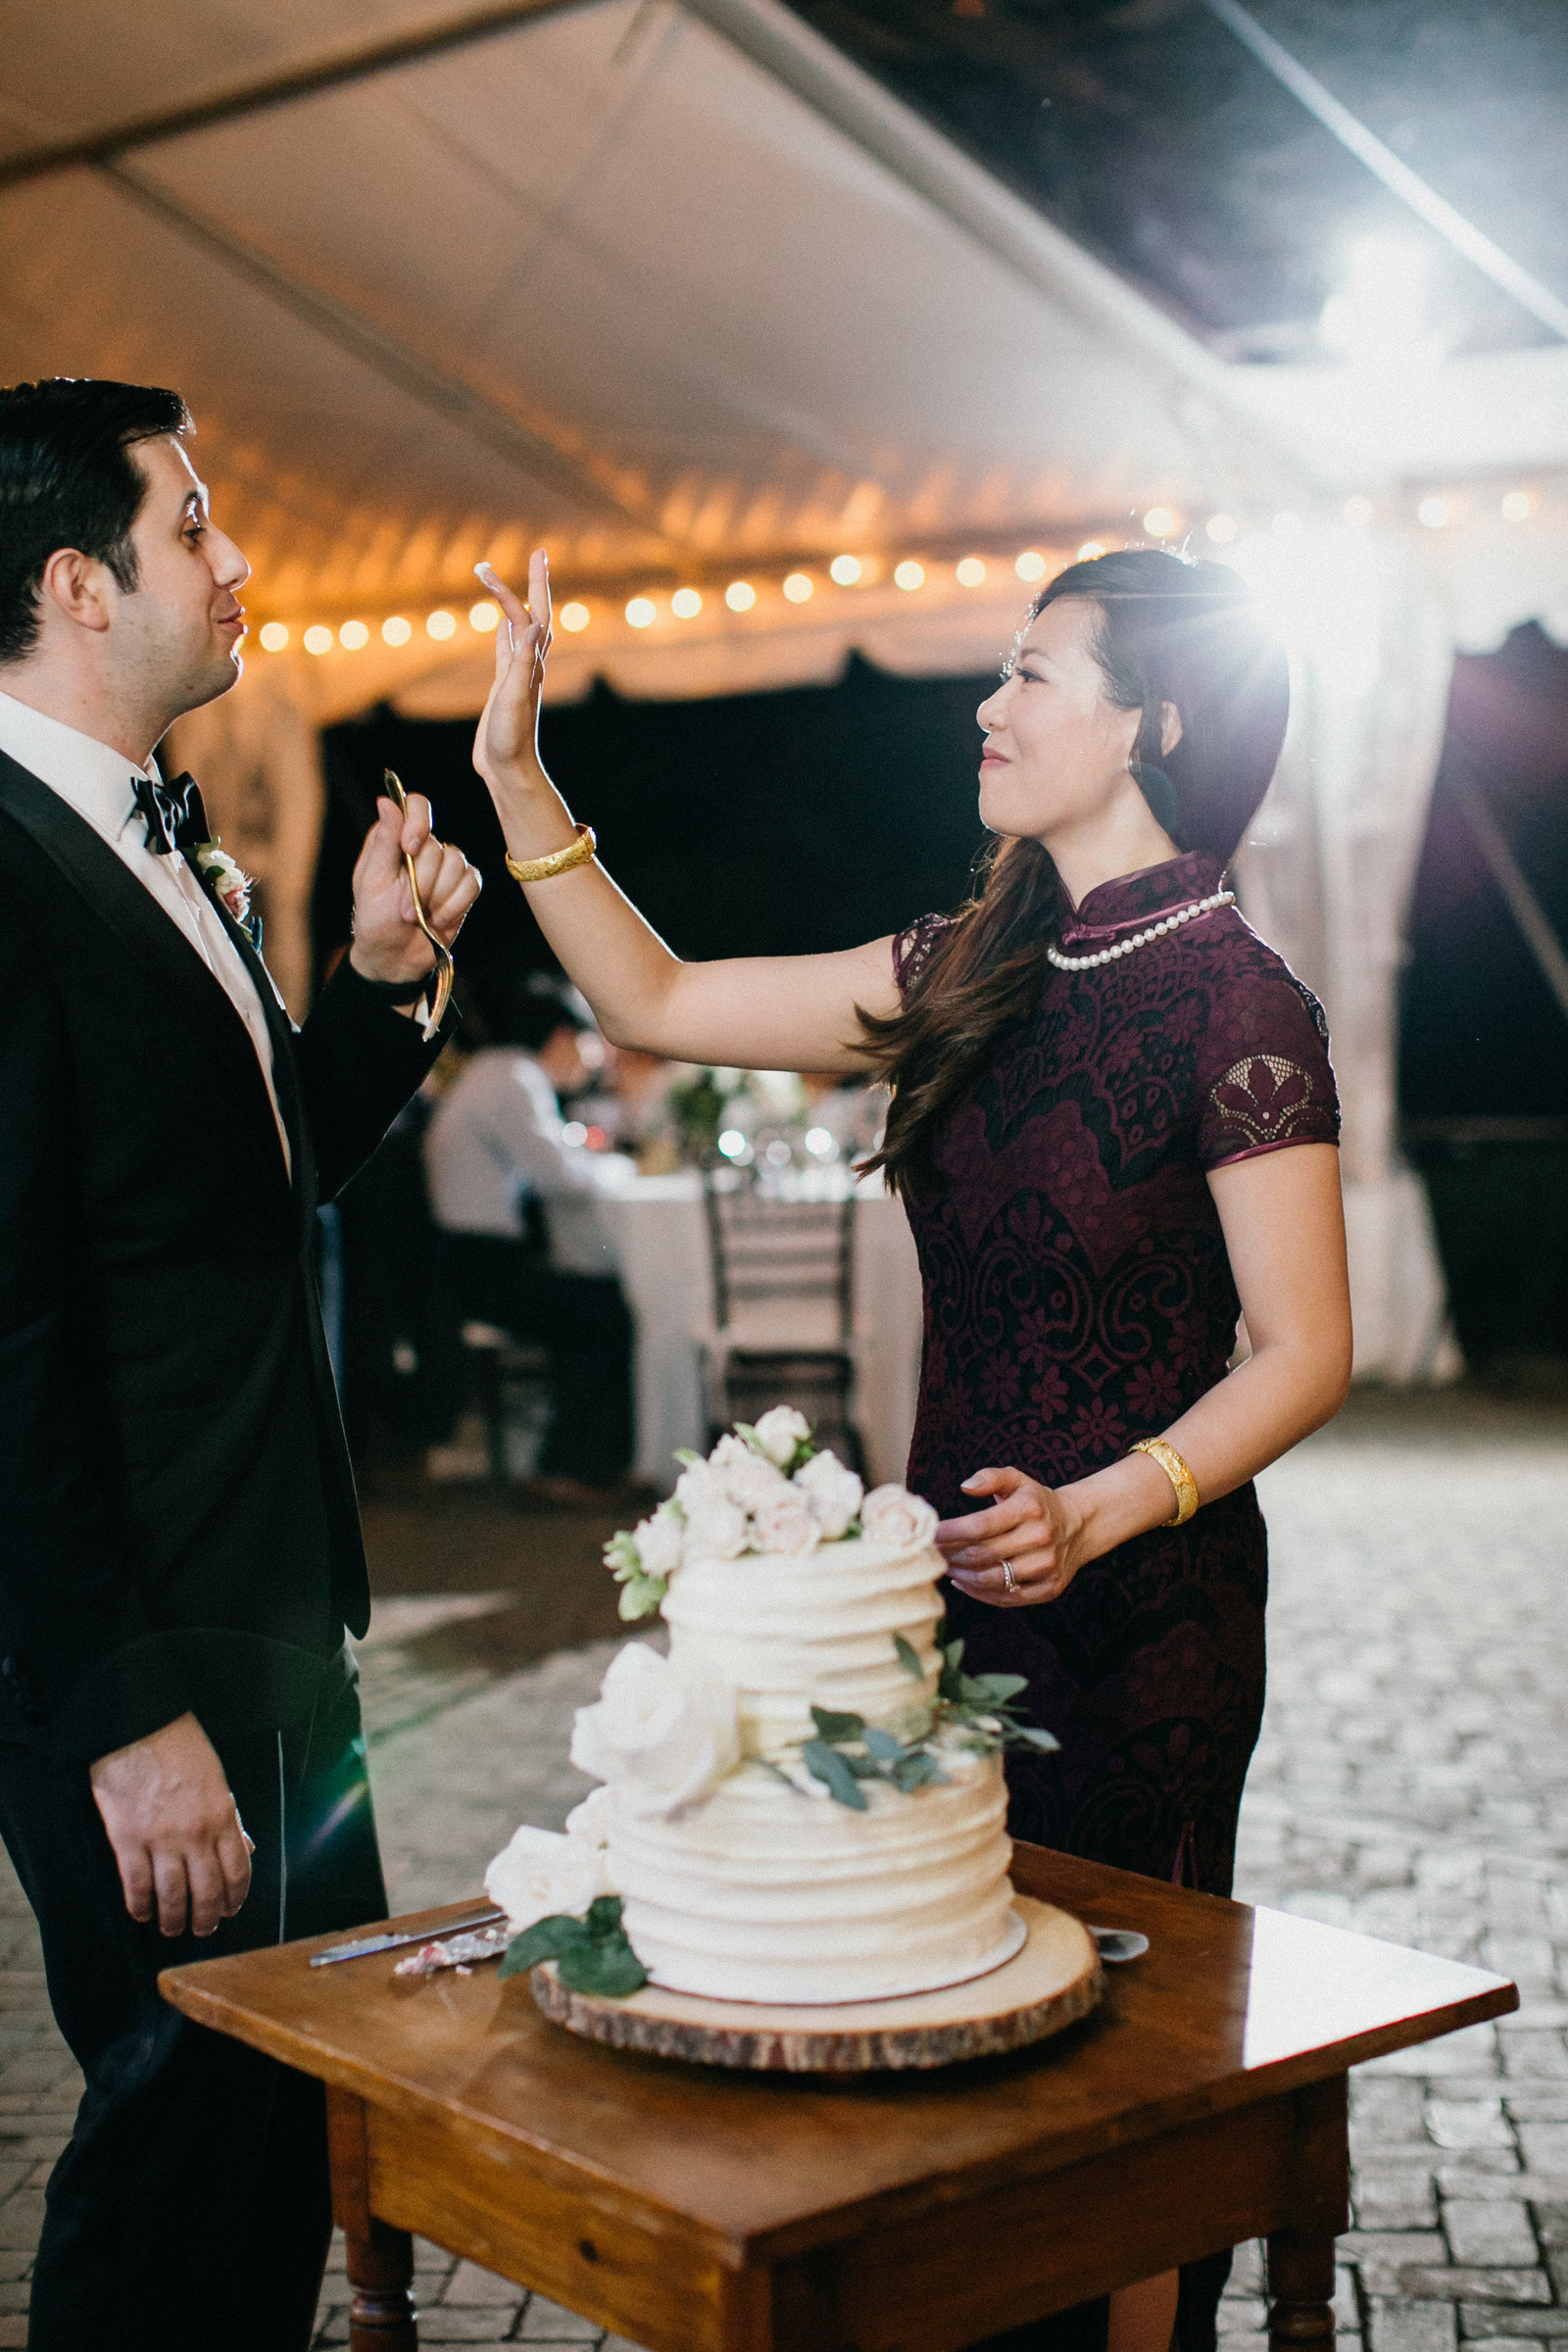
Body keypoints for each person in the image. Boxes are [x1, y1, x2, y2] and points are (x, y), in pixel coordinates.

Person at [468, 542, 1352, 2352]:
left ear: (1152, 724)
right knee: (954, 2049)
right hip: (943, 1625)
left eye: (1037, 675)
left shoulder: (1241, 1006)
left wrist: (1107, 1509)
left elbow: (1308, 1347)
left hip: (1146, 1620)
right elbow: (660, 1003)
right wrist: (517, 780)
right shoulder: (964, 970)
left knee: (1124, 2096)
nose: (990, 702)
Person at [0, 376, 481, 2351]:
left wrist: (373, 994)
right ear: (77, 585)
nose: (236, 558)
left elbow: (247, 1189)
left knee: (290, 2114)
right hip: (149, 1656)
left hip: (274, 1616)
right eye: (193, 522)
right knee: (180, 2130)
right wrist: (124, 1714)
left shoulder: (145, 846)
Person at [424, 975, 635, 1500]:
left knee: (591, 1305)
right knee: (602, 1311)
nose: (591, 1059)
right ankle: (570, 1469)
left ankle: (578, 1463)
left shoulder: (496, 1072)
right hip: (480, 1266)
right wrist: (621, 1170)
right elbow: (558, 1175)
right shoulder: (513, 1077)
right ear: (562, 1035)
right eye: (588, 1042)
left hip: (470, 1259)